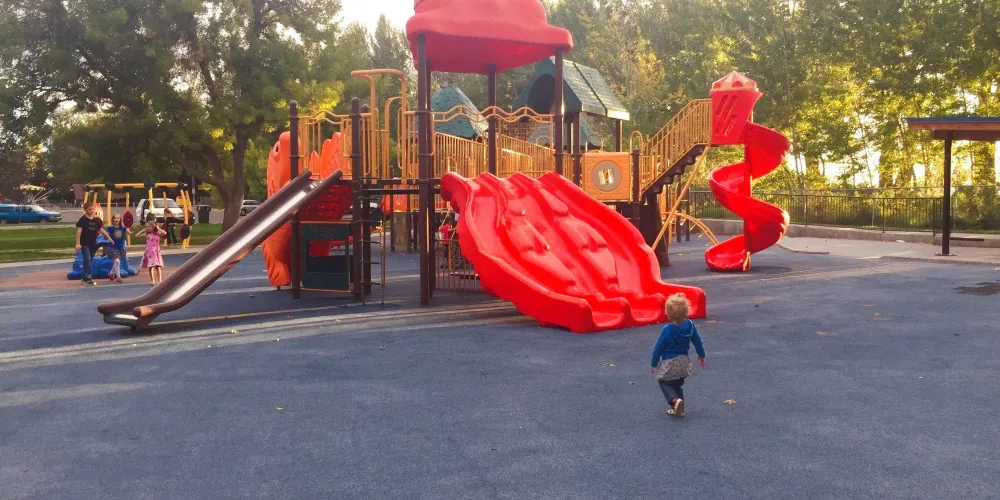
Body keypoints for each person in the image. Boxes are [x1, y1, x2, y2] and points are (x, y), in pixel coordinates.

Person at [650, 293, 706, 417]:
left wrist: (653, 363)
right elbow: (697, 341)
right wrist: (701, 354)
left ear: (668, 313)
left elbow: (658, 347)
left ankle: (674, 401)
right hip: (684, 362)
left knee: (663, 381)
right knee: (677, 385)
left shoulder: (667, 329)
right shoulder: (690, 325)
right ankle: (679, 409)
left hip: (670, 362)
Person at [75, 203, 113, 286]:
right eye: (89, 209)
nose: (91, 211)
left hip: (93, 243)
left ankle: (84, 277)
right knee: (88, 259)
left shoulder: (96, 221)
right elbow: (79, 232)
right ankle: (87, 278)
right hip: (84, 243)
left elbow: (101, 230)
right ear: (85, 210)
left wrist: (109, 238)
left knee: (89, 260)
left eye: (92, 209)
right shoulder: (83, 219)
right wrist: (78, 243)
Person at [135, 220, 167, 285]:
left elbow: (164, 233)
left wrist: (158, 228)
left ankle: (160, 280)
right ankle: (152, 280)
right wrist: (143, 230)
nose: (147, 228)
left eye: (149, 227)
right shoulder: (147, 234)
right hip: (149, 252)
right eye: (147, 227)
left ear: (153, 227)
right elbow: (137, 235)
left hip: (155, 252)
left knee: (157, 267)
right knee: (150, 267)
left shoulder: (157, 233)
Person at [106, 214, 132, 283]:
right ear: (113, 220)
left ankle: (111, 273)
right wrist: (108, 237)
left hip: (120, 248)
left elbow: (129, 233)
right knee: (117, 261)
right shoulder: (110, 228)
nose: (116, 219)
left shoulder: (123, 228)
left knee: (117, 262)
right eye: (115, 218)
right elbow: (106, 235)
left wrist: (133, 232)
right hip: (112, 248)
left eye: (118, 218)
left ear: (120, 220)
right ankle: (118, 277)